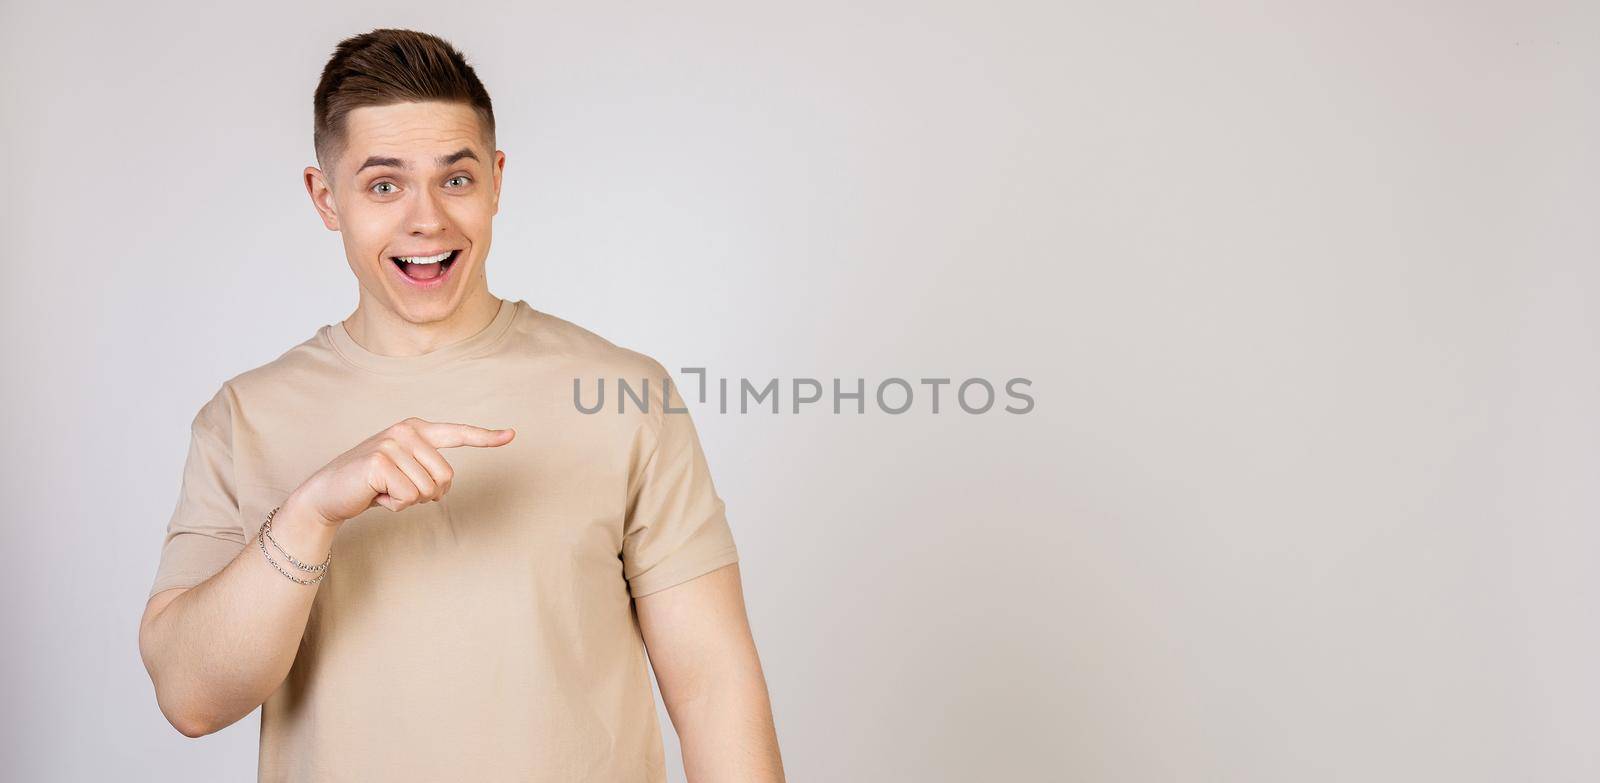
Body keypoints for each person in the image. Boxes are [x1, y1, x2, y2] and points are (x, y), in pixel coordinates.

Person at [135, 28, 786, 782]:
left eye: (456, 179)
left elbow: (713, 691)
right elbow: (191, 698)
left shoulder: (627, 397)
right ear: (326, 197)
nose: (427, 221)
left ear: (497, 180)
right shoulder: (243, 419)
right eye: (384, 185)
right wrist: (312, 511)